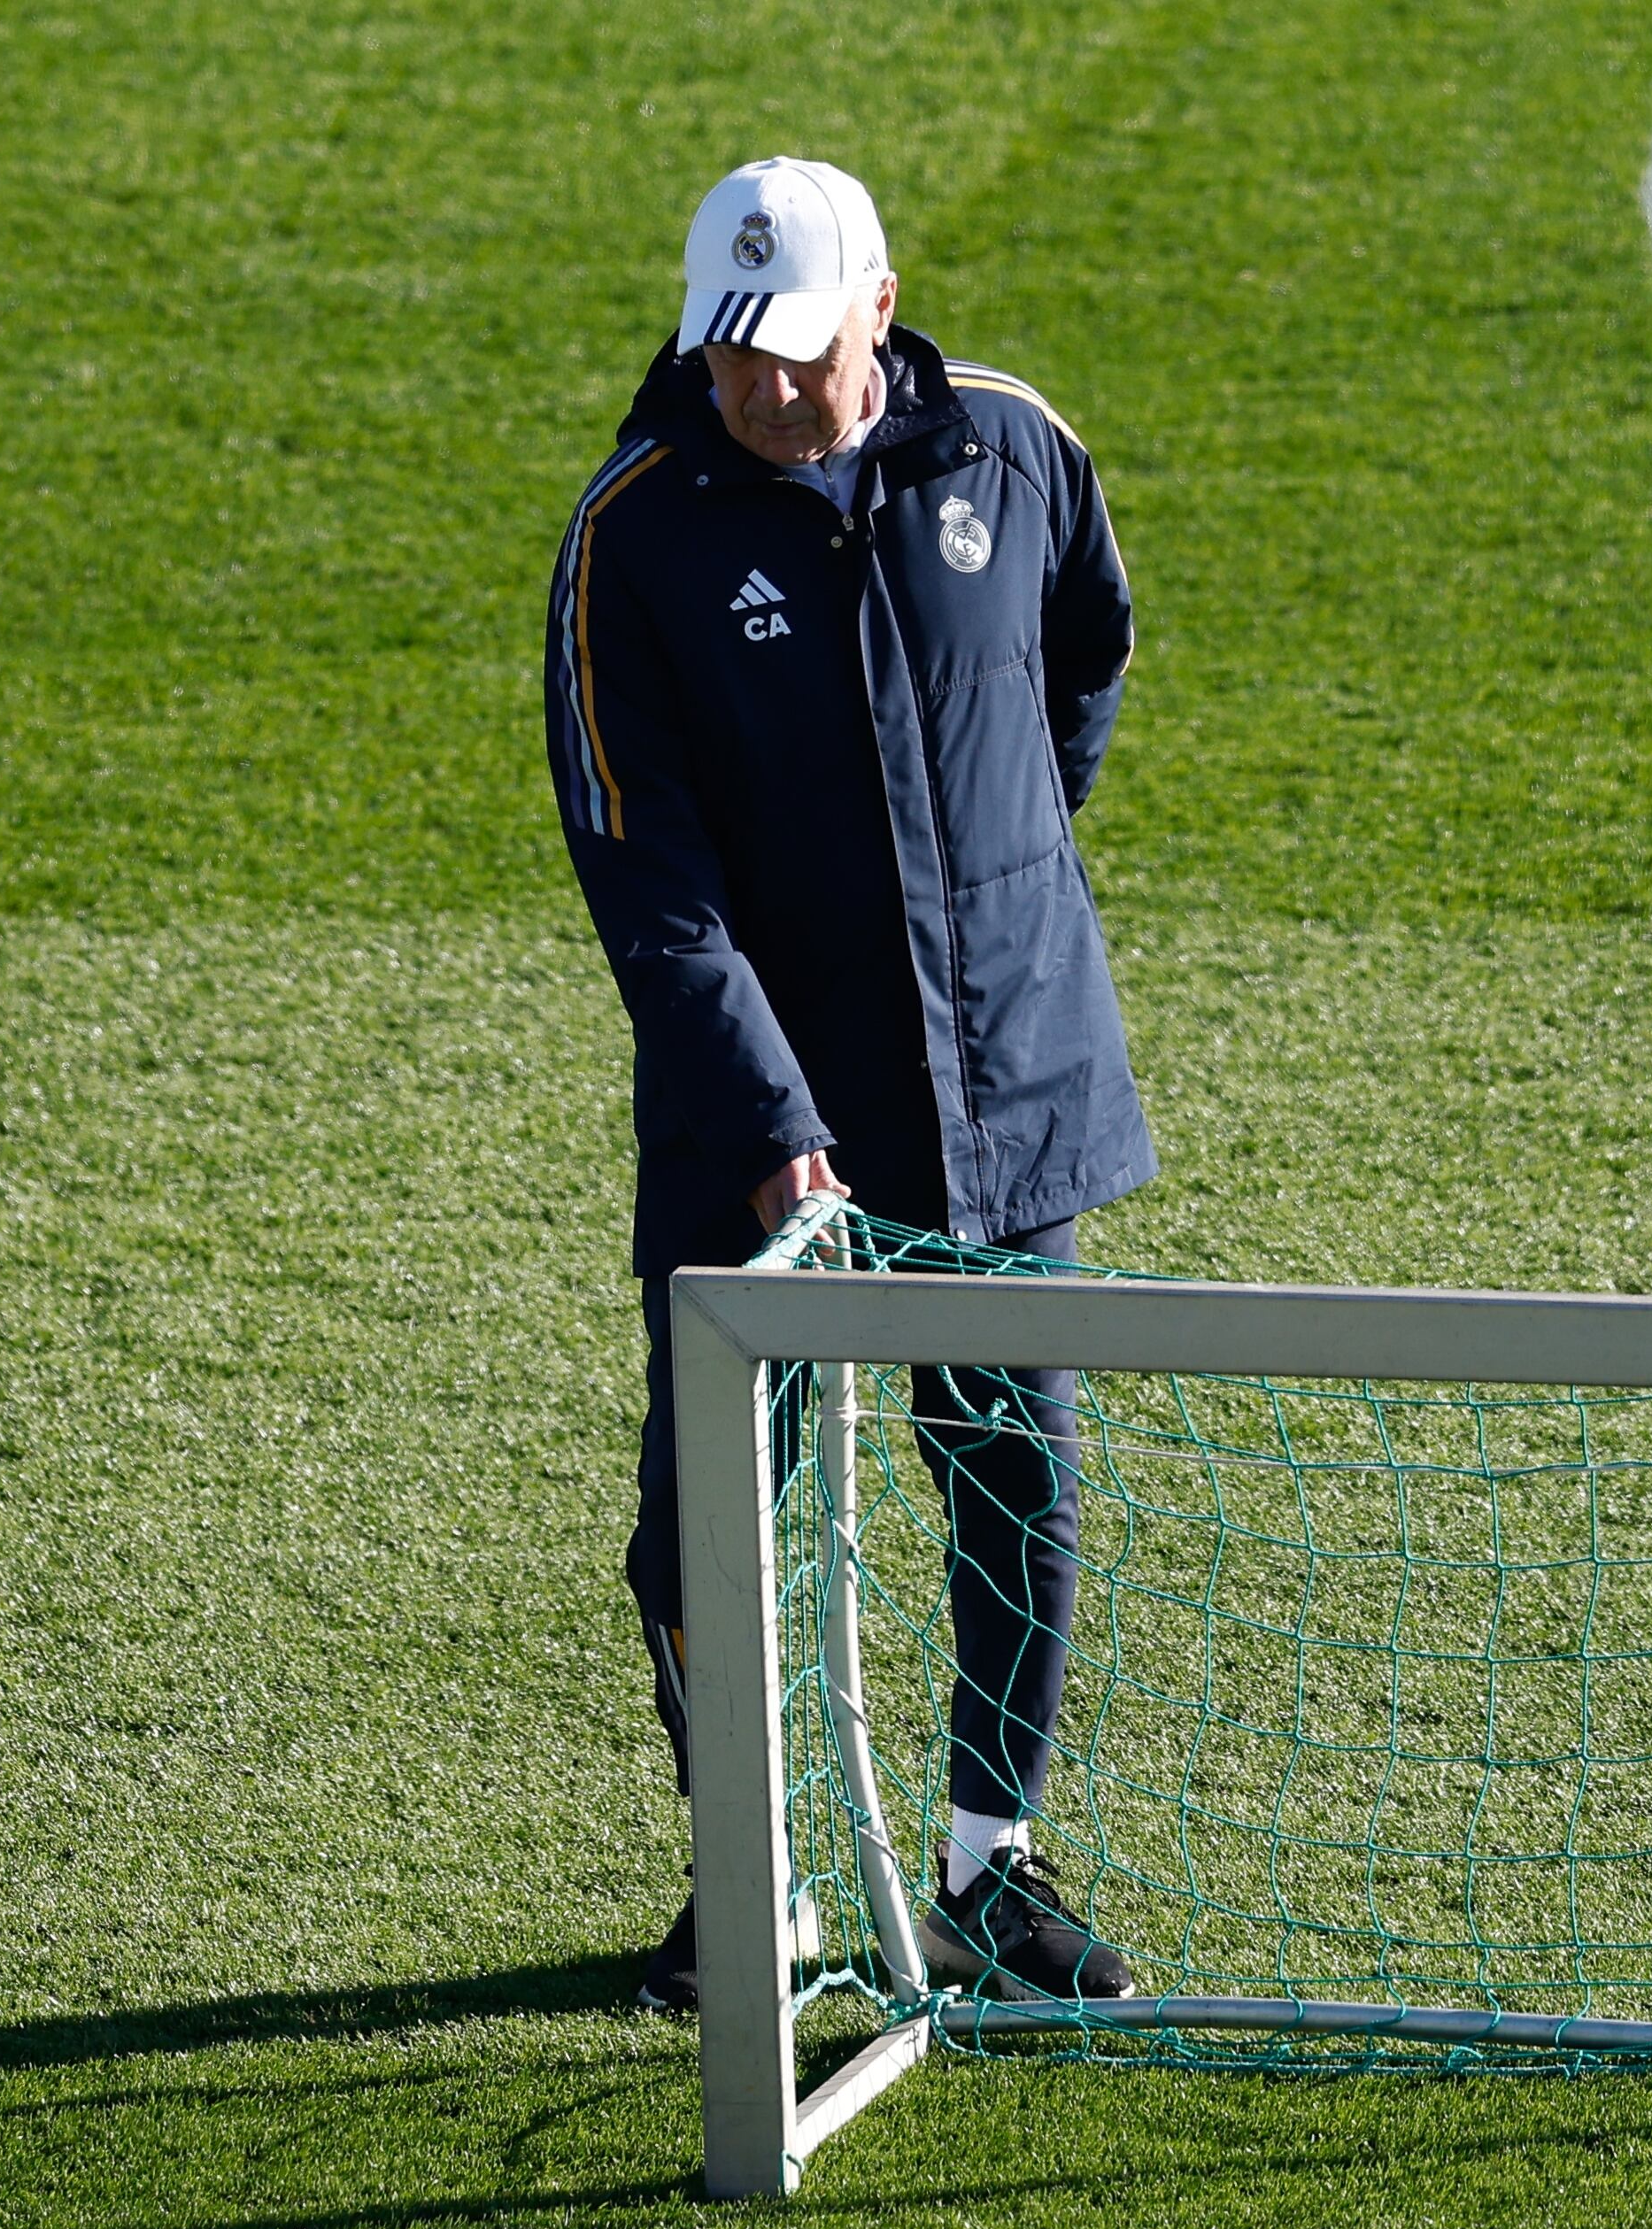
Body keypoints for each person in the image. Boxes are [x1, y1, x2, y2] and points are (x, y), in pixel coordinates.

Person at [541, 156, 1151, 2015]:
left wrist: (989, 924)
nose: (762, 390)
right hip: (754, 1130)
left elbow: (1081, 675)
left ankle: (988, 1864)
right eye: (731, 357)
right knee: (706, 1515)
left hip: (1003, 1082)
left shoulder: (1016, 451)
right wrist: (766, 1117)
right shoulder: (634, 535)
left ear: (878, 308)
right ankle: (757, 1878)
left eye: (796, 355)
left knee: (1015, 1471)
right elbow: (647, 875)